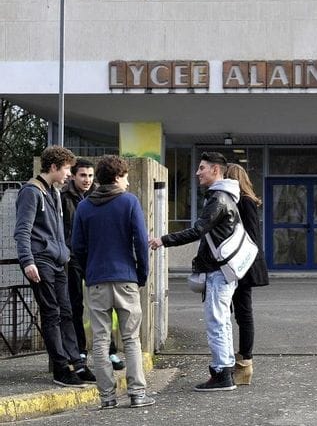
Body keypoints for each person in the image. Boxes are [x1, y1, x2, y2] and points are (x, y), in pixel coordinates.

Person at [149, 151, 239, 392]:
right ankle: (225, 369)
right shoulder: (225, 197)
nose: (197, 172)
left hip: (218, 271)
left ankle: (222, 374)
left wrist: (162, 240)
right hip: (222, 270)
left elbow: (198, 230)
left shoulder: (219, 199)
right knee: (222, 321)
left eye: (202, 168)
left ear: (215, 170)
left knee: (216, 321)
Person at [72, 155, 154, 409]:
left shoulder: (85, 206)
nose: (128, 181)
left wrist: (89, 273)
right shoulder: (129, 202)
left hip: (96, 280)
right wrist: (141, 274)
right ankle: (137, 393)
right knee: (130, 338)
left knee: (99, 339)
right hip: (126, 277)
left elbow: (77, 247)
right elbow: (141, 242)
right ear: (117, 177)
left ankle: (106, 397)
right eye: (126, 176)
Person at [13, 145, 96, 388]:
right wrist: (27, 261)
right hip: (41, 261)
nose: (69, 174)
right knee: (52, 313)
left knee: (67, 312)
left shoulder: (55, 192)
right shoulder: (31, 192)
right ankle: (61, 369)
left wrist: (66, 254)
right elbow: (22, 231)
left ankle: (76, 364)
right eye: (67, 169)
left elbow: (59, 231)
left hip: (60, 261)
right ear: (53, 168)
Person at [61, 158, 125, 370]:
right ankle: (79, 350)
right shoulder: (62, 197)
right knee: (74, 305)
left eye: (90, 175)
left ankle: (111, 351)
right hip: (72, 258)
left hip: (94, 257)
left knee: (104, 306)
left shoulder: (98, 196)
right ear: (73, 176)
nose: (87, 180)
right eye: (83, 175)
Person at [225, 163, 269, 385]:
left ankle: (245, 363)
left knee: (243, 314)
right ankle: (240, 362)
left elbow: (252, 236)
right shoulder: (239, 201)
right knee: (237, 313)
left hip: (241, 265)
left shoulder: (245, 202)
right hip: (238, 265)